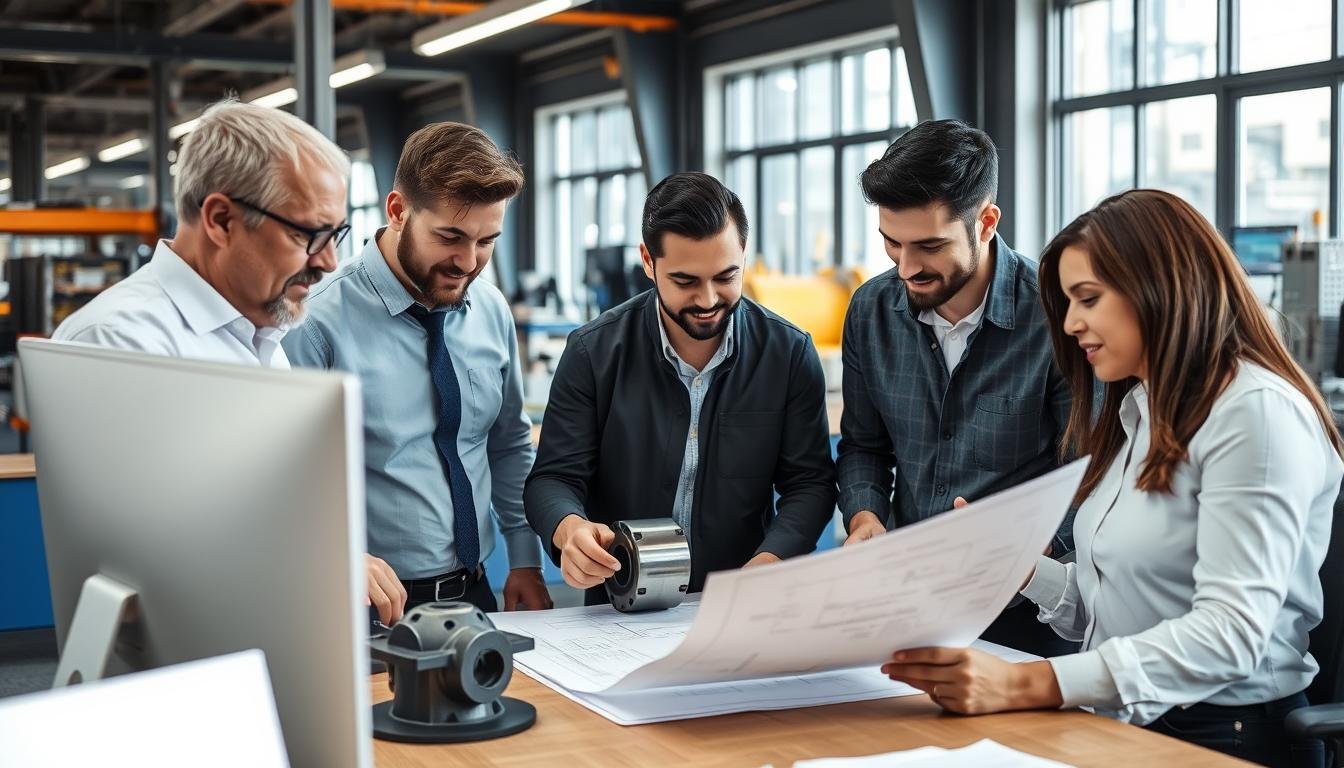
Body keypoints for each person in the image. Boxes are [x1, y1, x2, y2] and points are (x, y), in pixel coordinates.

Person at [882, 189, 1342, 768]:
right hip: (1128, 725)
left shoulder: (1255, 413)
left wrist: (1028, 683)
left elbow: (1231, 635)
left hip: (1226, 738)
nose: (1071, 323)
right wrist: (1017, 564)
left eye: (1089, 298)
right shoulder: (1142, 411)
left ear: (1163, 288)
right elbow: (1115, 609)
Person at [525, 172, 836, 603]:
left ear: (743, 253)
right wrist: (569, 528)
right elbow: (553, 478)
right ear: (648, 261)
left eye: (725, 277)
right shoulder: (592, 353)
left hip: (740, 602)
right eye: (686, 281)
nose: (708, 300)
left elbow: (810, 485)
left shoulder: (788, 354)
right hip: (618, 608)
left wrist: (770, 561)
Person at [284, 122, 551, 623]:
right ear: (397, 210)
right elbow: (283, 480)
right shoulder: (315, 323)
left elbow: (508, 442)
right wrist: (335, 555)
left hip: (476, 594)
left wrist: (524, 557)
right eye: (450, 237)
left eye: (487, 241)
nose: (467, 262)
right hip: (366, 604)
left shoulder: (491, 309)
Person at [837, 119, 1075, 656]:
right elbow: (863, 446)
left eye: (929, 246)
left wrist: (1036, 549)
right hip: (907, 605)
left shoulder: (1058, 318)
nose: (906, 268)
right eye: (891, 243)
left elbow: (1093, 471)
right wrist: (865, 515)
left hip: (1028, 615)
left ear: (986, 222)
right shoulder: (871, 310)